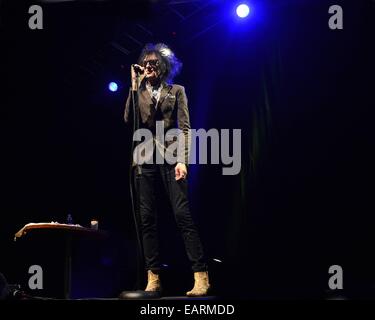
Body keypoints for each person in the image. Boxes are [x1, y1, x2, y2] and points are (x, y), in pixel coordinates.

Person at [124, 43, 210, 296]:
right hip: (144, 158)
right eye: (145, 62)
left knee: (182, 215)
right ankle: (154, 278)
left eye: (154, 62)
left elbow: (184, 127)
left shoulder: (177, 91)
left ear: (164, 66)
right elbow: (129, 119)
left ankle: (201, 275)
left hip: (172, 157)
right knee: (147, 218)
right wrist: (133, 87)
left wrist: (183, 160)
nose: (149, 66)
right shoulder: (138, 90)